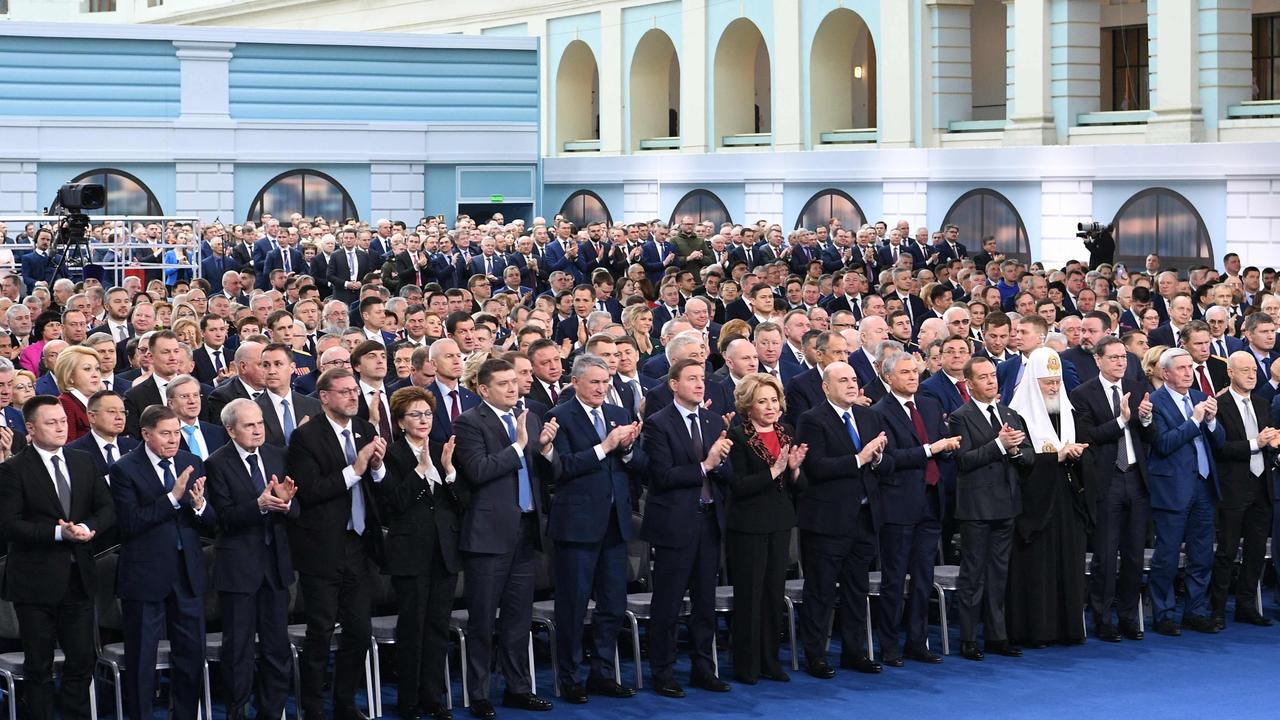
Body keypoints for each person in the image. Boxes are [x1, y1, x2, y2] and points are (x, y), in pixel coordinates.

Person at [453, 358, 560, 718]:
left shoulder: (528, 418)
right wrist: (518, 447)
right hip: (488, 536)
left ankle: (518, 687)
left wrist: (544, 448)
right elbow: (479, 471)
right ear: (483, 390)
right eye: (503, 383)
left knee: (518, 618)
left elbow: (548, 474)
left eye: (514, 381)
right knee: (483, 620)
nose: (513, 388)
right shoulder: (469, 423)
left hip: (526, 530)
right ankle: (479, 693)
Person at [0, 396, 114, 720]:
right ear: (31, 429)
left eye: (63, 420)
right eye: (51, 422)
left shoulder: (83, 462)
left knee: (81, 661)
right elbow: (8, 524)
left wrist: (87, 527)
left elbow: (107, 508)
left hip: (79, 578)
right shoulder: (12, 470)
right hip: (35, 583)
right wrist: (56, 533)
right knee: (39, 666)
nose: (61, 427)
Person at [286, 366, 388, 720]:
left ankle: (345, 704)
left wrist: (376, 468)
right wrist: (355, 470)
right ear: (325, 397)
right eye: (344, 392)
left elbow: (378, 487)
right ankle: (313, 708)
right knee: (320, 633)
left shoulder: (364, 429)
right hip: (322, 548)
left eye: (354, 392)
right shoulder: (306, 437)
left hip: (359, 545)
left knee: (359, 631)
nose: (352, 397)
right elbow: (310, 492)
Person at [544, 354, 644, 702]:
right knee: (572, 607)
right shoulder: (560, 416)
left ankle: (602, 672)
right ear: (575, 383)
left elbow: (639, 464)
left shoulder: (618, 414)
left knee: (613, 605)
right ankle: (569, 676)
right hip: (577, 526)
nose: (602, 389)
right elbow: (562, 467)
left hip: (615, 526)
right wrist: (605, 447)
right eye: (594, 383)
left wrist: (629, 450)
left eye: (605, 383)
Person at [110, 405, 215, 720]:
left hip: (188, 572)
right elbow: (130, 523)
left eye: (177, 432)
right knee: (142, 657)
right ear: (145, 433)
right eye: (165, 433)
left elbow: (210, 523)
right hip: (146, 574)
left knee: (191, 655)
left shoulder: (191, 461)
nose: (173, 440)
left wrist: (199, 506)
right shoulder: (124, 469)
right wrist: (171, 498)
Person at [640, 357, 732, 697]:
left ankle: (703, 668)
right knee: (669, 602)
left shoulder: (711, 420)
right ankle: (663, 672)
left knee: (705, 603)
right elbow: (661, 477)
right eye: (691, 378)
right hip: (674, 524)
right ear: (673, 385)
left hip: (709, 522)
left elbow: (727, 471)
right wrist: (706, 464)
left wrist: (720, 464)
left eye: (702, 379)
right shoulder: (657, 424)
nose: (699, 384)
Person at [796, 361, 894, 678]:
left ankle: (854, 652)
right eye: (843, 380)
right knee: (821, 592)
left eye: (854, 379)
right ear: (826, 387)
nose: (852, 385)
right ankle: (816, 656)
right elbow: (817, 468)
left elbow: (884, 464)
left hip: (864, 518)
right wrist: (860, 458)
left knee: (857, 590)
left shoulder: (869, 415)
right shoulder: (812, 420)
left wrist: (878, 460)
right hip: (827, 520)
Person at [205, 399, 298, 720]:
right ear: (231, 430)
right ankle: (237, 712)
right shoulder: (217, 463)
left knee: (276, 648)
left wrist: (286, 505)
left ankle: (271, 712)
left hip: (275, 567)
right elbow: (224, 519)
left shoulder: (277, 455)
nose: (258, 429)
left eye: (260, 423)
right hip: (239, 569)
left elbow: (296, 509)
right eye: (249, 425)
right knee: (238, 650)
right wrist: (258, 505)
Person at [376, 387, 462, 720]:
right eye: (415, 414)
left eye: (427, 413)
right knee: (412, 628)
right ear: (400, 421)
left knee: (439, 626)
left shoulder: (444, 450)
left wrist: (449, 472)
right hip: (409, 552)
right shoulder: (392, 455)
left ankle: (433, 696)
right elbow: (393, 504)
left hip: (443, 551)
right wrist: (420, 471)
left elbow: (461, 502)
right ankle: (409, 700)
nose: (423, 420)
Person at [871, 350, 959, 665]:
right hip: (898, 504)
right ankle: (890, 646)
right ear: (888, 377)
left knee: (923, 577)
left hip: (931, 501)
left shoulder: (930, 405)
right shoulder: (880, 412)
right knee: (895, 579)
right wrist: (929, 450)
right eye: (905, 373)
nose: (912, 377)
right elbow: (887, 461)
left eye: (915, 372)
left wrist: (948, 448)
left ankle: (917, 642)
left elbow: (942, 444)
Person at [948, 356, 1033, 661]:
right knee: (973, 575)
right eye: (983, 377)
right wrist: (998, 445)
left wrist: (1014, 452)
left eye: (993, 376)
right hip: (976, 507)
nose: (991, 381)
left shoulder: (1010, 413)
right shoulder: (961, 416)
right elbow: (963, 461)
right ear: (969, 384)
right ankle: (969, 639)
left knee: (999, 574)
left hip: (1007, 504)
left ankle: (998, 635)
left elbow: (1029, 456)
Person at [1070, 335, 1155, 641]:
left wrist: (1145, 420)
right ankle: (1103, 618)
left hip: (1136, 478)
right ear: (1098, 360)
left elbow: (1150, 436)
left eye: (1124, 357)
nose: (1121, 362)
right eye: (1114, 357)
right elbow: (1088, 435)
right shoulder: (1082, 394)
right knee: (1106, 555)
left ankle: (1130, 616)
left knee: (1134, 554)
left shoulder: (1137, 387)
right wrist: (1121, 420)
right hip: (1106, 481)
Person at [1004, 348, 1090, 647]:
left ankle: (1068, 628)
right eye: (1047, 383)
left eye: (1057, 382)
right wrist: (1056, 457)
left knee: (1068, 561)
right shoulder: (1017, 415)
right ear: (1032, 383)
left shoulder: (1067, 411)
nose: (1054, 388)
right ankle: (1037, 631)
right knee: (1038, 566)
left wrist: (1075, 453)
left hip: (1066, 497)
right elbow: (1021, 461)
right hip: (1035, 504)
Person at [725, 373, 806, 683]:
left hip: (780, 522)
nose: (770, 406)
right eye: (762, 401)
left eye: (774, 400)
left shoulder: (787, 432)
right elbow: (738, 485)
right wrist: (775, 470)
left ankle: (771, 660)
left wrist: (795, 470)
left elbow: (801, 486)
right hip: (747, 525)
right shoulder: (737, 436)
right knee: (750, 595)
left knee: (774, 594)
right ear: (748, 405)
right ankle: (746, 664)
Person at [1147, 347, 1225, 636]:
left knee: (1202, 555)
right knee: (1167, 556)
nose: (1188, 373)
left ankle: (1196, 611)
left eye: (1190, 367)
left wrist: (1212, 421)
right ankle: (1164, 613)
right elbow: (1164, 444)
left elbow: (1219, 441)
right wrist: (1194, 421)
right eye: (1181, 368)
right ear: (1165, 373)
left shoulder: (1200, 398)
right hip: (1172, 488)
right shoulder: (1154, 403)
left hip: (1204, 486)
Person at [1208, 351, 1278, 628]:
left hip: (1262, 486)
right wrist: (1256, 443)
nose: (1251, 375)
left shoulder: (1263, 404)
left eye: (1253, 370)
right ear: (1230, 373)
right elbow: (1220, 448)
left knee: (1256, 550)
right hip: (1233, 487)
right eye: (1245, 370)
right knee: (1226, 551)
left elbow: (1267, 443)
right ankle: (1217, 609)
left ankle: (1247, 606)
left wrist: (1273, 445)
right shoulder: (1219, 405)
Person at [55, 346, 102, 442]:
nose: (95, 374)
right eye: (87, 369)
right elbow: (68, 446)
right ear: (69, 376)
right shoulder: (64, 404)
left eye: (97, 368)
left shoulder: (99, 402)